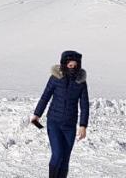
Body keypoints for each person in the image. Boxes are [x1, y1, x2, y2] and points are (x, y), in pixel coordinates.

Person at [31, 50, 90, 178]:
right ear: (64, 64)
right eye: (70, 65)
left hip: (70, 125)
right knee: (57, 155)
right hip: (54, 123)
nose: (73, 68)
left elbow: (84, 104)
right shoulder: (56, 78)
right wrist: (37, 114)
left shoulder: (81, 82)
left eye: (75, 65)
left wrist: (83, 125)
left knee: (65, 159)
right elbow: (45, 96)